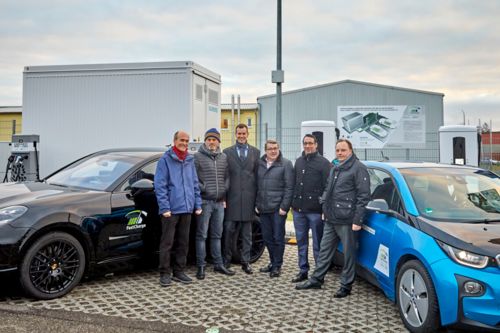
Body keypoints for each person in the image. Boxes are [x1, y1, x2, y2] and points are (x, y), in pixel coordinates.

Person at [296, 139, 370, 298]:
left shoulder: (358, 169)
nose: (340, 153)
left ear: (350, 151)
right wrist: (325, 208)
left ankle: (346, 285)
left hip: (347, 220)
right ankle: (316, 279)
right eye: (338, 150)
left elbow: (363, 197)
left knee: (349, 254)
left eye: (343, 150)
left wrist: (357, 220)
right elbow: (327, 190)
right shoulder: (335, 167)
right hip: (331, 218)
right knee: (324, 250)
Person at [154, 130, 202, 287]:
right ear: (174, 141)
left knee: (183, 242)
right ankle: (165, 273)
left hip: (187, 208)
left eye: (187, 141)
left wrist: (198, 204)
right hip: (171, 210)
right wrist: (164, 207)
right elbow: (160, 186)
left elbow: (195, 184)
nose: (185, 143)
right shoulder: (165, 160)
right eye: (182, 140)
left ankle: (179, 271)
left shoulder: (189, 160)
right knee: (167, 243)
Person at [290, 134, 332, 283]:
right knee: (301, 243)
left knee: (317, 245)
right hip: (298, 211)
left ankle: (318, 274)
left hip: (315, 212)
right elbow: (295, 184)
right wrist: (292, 205)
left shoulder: (324, 164)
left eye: (310, 143)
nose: (307, 146)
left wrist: (324, 210)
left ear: (316, 145)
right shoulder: (299, 162)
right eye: (305, 143)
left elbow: (328, 188)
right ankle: (303, 271)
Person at [194, 128, 234, 279]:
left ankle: (218, 264)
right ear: (205, 141)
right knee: (202, 235)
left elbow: (227, 177)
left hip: (219, 203)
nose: (212, 142)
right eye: (209, 139)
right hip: (204, 202)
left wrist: (224, 190)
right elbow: (194, 179)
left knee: (217, 235)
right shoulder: (197, 157)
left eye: (214, 139)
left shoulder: (223, 157)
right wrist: (203, 188)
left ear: (218, 141)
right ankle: (201, 266)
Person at [223, 124, 260, 274]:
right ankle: (226, 260)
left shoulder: (255, 152)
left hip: (249, 199)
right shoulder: (226, 152)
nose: (241, 136)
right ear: (235, 134)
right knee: (228, 231)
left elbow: (257, 177)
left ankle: (246, 262)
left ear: (247, 134)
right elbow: (225, 176)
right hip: (232, 198)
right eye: (239, 133)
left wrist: (257, 199)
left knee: (247, 233)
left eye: (244, 133)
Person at [256, 139, 294, 278]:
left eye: (275, 148)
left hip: (278, 209)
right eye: (270, 148)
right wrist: (257, 204)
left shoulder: (286, 164)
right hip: (263, 208)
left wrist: (284, 207)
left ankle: (277, 266)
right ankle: (272, 262)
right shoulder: (259, 164)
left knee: (278, 237)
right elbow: (257, 185)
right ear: (265, 150)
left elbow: (289, 187)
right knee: (267, 237)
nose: (273, 151)